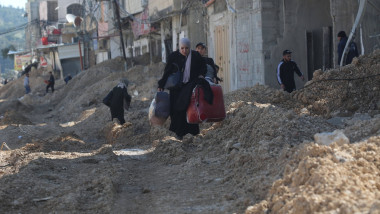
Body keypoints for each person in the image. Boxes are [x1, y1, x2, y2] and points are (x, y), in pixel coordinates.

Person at [158, 38, 207, 139]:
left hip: (189, 87)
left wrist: (201, 75)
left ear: (190, 47)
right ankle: (178, 133)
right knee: (176, 110)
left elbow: (203, 66)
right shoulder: (173, 56)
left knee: (190, 109)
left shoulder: (195, 56)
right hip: (176, 88)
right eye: (182, 48)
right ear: (179, 47)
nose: (184, 51)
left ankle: (192, 133)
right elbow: (167, 71)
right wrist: (161, 85)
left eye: (187, 48)